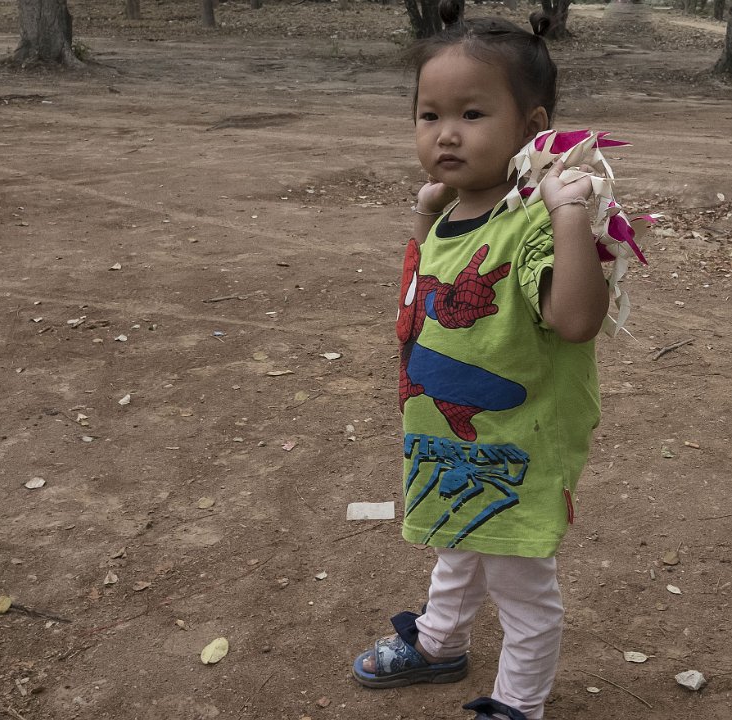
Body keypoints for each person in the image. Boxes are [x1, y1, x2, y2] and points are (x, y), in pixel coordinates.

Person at [352, 2, 611, 719]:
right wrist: (422, 215)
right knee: (458, 540)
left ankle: (518, 704)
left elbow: (575, 320)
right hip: (450, 435)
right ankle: (440, 642)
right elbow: (413, 308)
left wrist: (568, 214)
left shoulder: (532, 222)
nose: (446, 133)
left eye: (471, 114)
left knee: (522, 589)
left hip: (516, 447)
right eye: (428, 115)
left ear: (530, 127)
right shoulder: (447, 212)